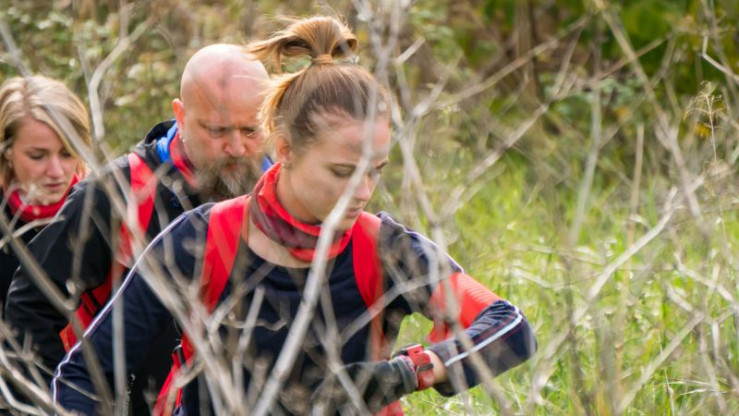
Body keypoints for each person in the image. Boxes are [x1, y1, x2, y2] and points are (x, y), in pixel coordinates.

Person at [52, 17, 536, 415]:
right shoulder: (202, 239)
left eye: (376, 171)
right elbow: (84, 376)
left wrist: (407, 371)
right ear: (283, 149)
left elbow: (509, 326)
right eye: (342, 172)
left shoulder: (384, 248)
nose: (363, 192)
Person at [5, 44, 270, 413]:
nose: (237, 147)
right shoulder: (116, 194)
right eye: (218, 130)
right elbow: (29, 312)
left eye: (251, 129)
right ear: (181, 116)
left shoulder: (287, 194)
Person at [0, 75, 91, 309]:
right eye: (37, 156)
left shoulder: (99, 206)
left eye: (68, 153)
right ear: (7, 151)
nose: (56, 171)